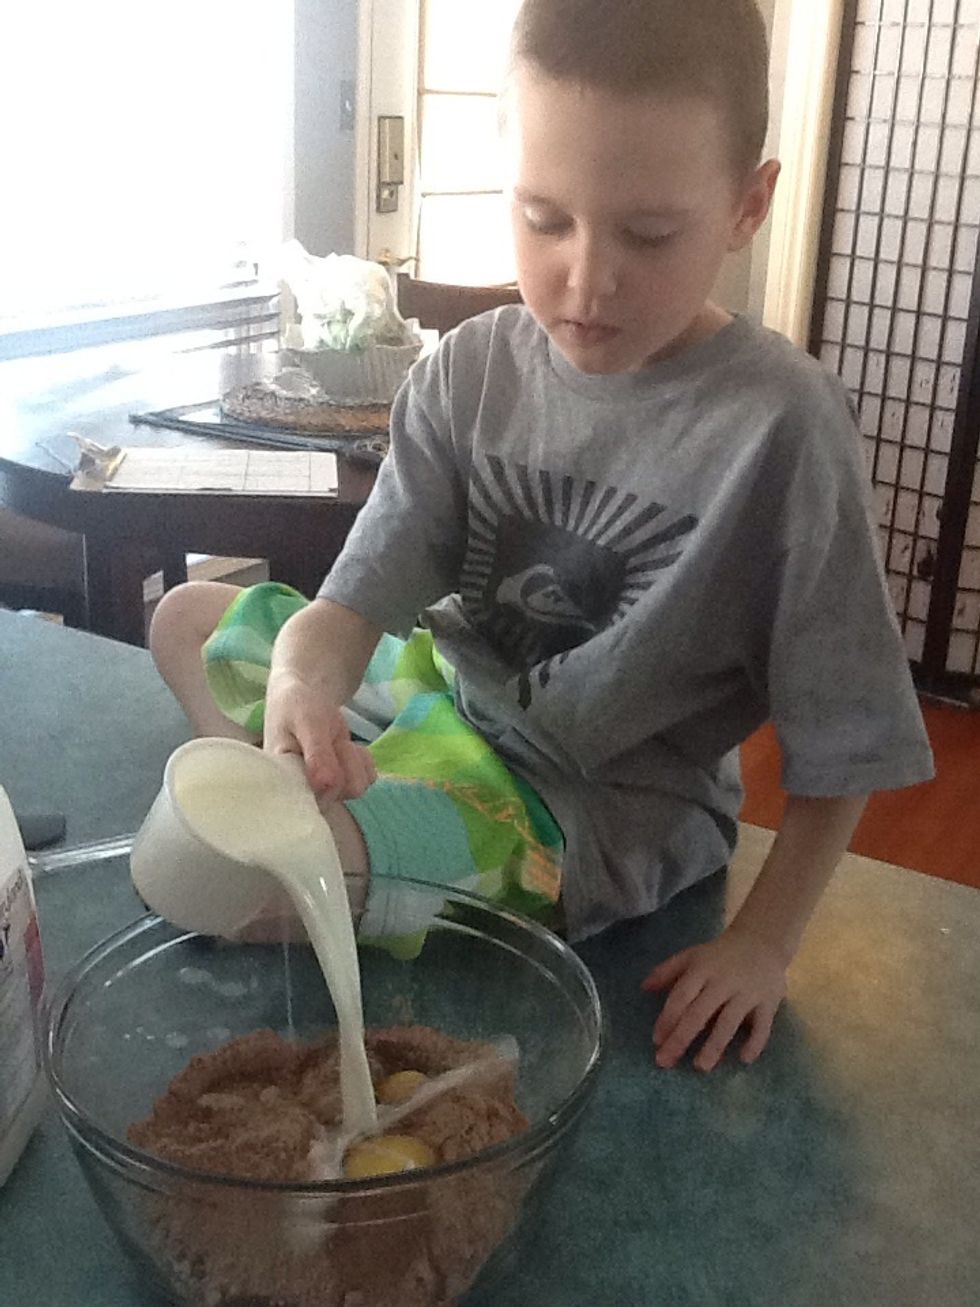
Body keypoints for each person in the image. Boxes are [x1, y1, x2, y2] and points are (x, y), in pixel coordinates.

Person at [149, 0, 934, 1073]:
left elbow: (844, 739)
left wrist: (761, 943)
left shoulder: (782, 429)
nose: (585, 277)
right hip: (437, 696)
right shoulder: (469, 371)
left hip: (583, 806)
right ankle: (318, 799)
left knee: (240, 882)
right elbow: (346, 610)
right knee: (188, 618)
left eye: (647, 234)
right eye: (543, 216)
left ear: (747, 206)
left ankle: (332, 833)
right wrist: (301, 686)